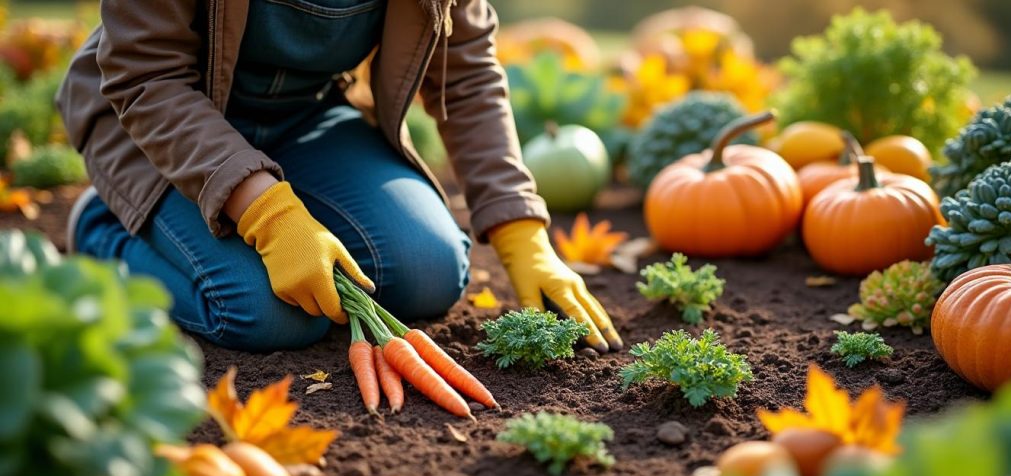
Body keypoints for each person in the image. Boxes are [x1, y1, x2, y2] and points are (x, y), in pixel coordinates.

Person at [57, 0, 621, 353]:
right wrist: (270, 216)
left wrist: (522, 233)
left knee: (429, 269)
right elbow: (146, 76)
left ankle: (243, 206)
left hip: (302, 117)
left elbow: (466, 72)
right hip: (154, 127)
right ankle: (105, 230)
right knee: (266, 314)